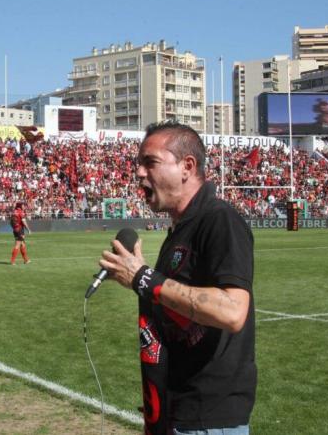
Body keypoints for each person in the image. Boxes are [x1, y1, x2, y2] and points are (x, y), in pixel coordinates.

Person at [99, 122, 256, 435]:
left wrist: (143, 277)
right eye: (139, 164)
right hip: (178, 411)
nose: (140, 173)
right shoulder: (180, 231)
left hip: (209, 419)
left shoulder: (219, 219)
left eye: (151, 162)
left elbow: (232, 312)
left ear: (187, 167)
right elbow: (174, 315)